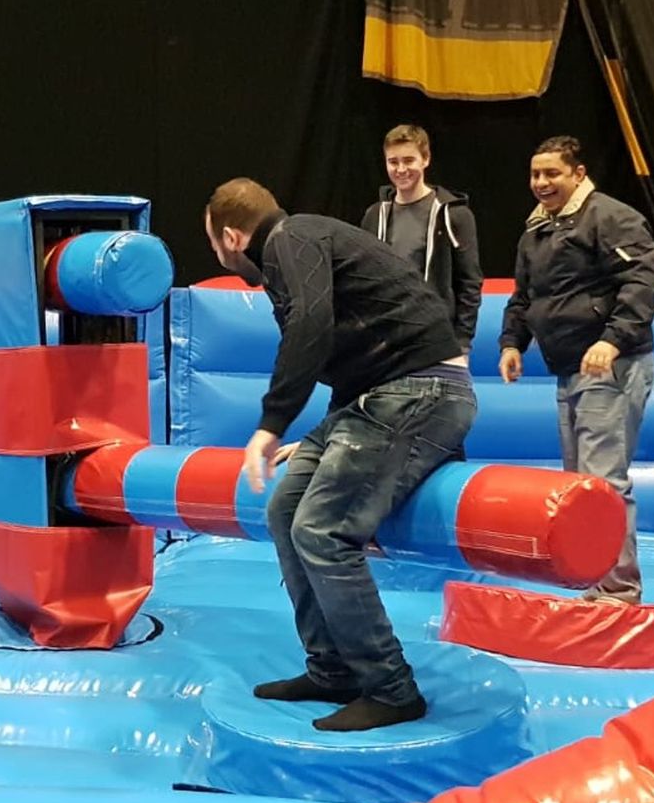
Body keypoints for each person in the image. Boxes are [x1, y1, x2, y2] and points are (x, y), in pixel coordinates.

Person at [204, 178, 477, 732]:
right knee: (285, 511)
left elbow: (311, 323)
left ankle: (391, 688)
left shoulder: (291, 238)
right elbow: (348, 349)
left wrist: (271, 424)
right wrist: (326, 434)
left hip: (419, 390)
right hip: (378, 397)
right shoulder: (301, 246)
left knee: (322, 531)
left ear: (232, 237)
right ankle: (333, 669)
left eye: (212, 244)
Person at [498, 136, 654, 605]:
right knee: (581, 486)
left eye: (552, 173)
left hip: (611, 367)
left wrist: (611, 340)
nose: (541, 182)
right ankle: (596, 585)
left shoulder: (610, 217)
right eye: (535, 174)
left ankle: (618, 592)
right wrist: (512, 343)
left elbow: (645, 281)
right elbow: (524, 295)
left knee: (604, 483)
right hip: (570, 368)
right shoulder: (537, 229)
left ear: (578, 173)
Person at [360, 124, 482, 355]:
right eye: (393, 162)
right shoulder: (375, 215)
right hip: (385, 337)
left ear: (425, 159)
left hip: (436, 338)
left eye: (409, 160)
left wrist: (463, 342)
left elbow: (469, 283)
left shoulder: (455, 215)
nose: (401, 169)